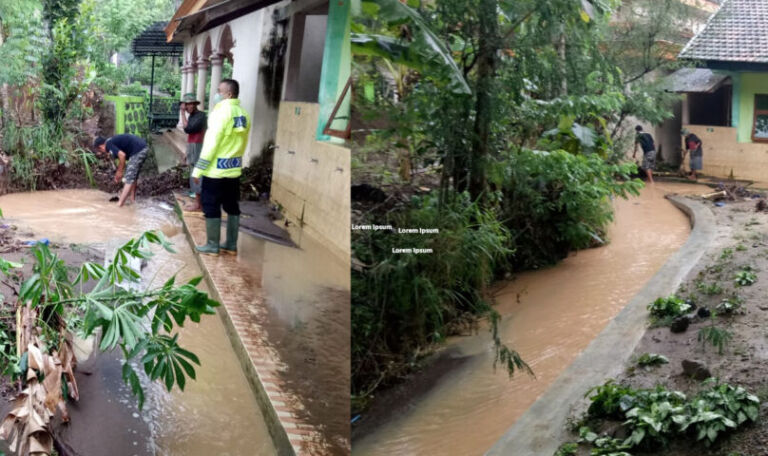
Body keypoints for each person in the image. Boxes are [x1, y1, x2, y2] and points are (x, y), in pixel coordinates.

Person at [191, 79, 251, 255]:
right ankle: (231, 244)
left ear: (229, 94)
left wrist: (197, 170)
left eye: (219, 91)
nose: (216, 94)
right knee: (232, 205)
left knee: (211, 205)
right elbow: (243, 143)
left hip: (215, 172)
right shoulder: (243, 114)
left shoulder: (220, 113)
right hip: (233, 170)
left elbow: (211, 145)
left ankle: (212, 244)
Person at [93, 134, 149, 207]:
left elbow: (122, 155)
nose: (103, 152)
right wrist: (119, 171)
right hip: (143, 148)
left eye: (100, 151)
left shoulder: (109, 144)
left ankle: (119, 204)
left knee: (129, 178)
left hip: (138, 150)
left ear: (101, 147)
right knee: (133, 176)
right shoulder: (111, 141)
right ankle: (132, 200)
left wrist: (120, 172)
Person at [179, 93, 207, 212]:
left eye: (188, 104)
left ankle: (198, 203)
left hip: (198, 146)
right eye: (185, 105)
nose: (186, 107)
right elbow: (189, 135)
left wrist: (182, 114)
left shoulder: (201, 116)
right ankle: (198, 201)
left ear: (194, 104)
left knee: (196, 173)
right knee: (193, 173)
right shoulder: (192, 116)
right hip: (192, 146)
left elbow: (187, 129)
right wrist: (186, 151)